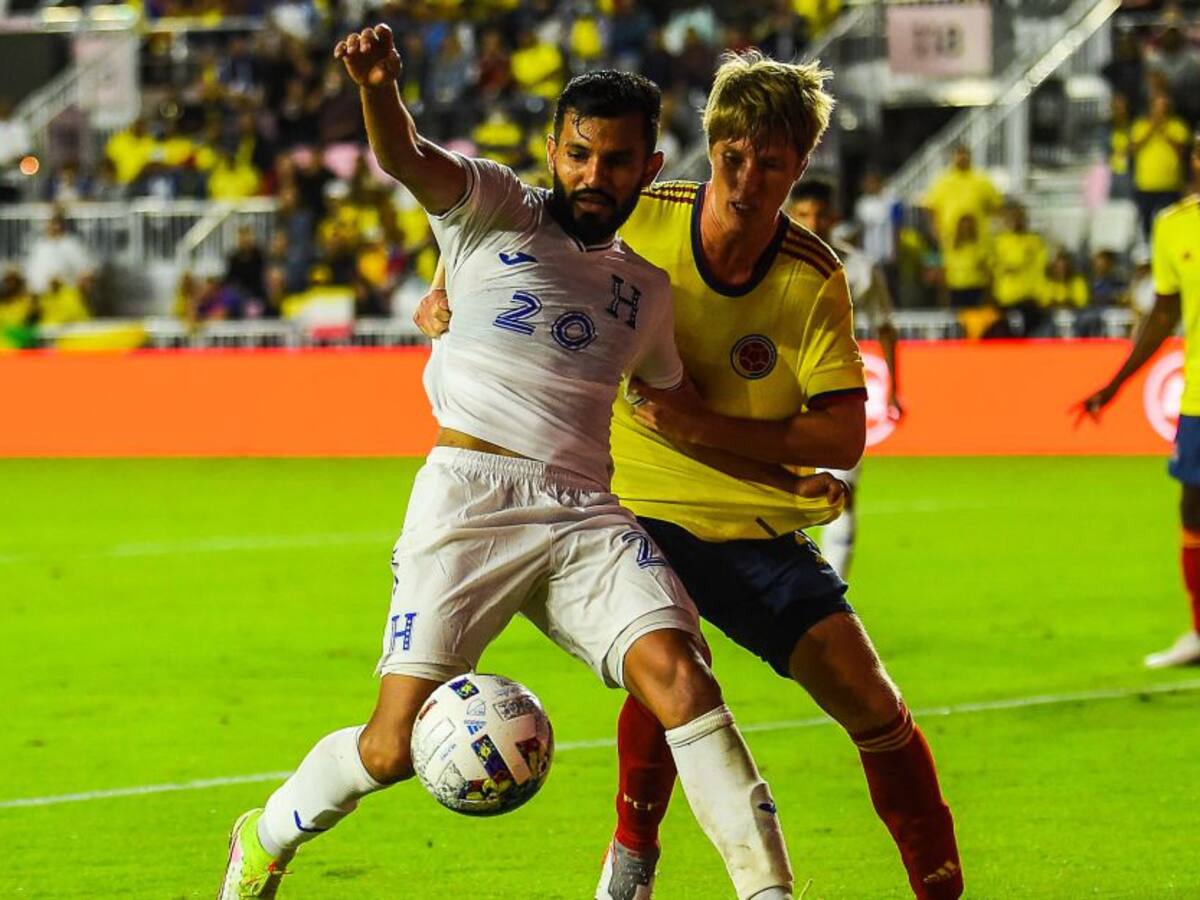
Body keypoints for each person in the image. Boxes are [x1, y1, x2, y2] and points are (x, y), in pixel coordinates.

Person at [218, 26, 798, 900]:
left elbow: (674, 414)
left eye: (617, 160)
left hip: (582, 512)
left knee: (683, 675)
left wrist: (783, 478)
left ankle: (769, 891)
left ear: (651, 165)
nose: (594, 176)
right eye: (578, 154)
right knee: (389, 749)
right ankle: (262, 837)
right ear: (553, 149)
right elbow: (404, 154)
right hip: (469, 500)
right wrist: (379, 86)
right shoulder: (492, 206)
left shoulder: (647, 293)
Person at [418, 50, 962, 900]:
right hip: (630, 510)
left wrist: (716, 434)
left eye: (771, 164)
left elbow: (844, 433)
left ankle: (941, 889)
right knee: (670, 668)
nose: (747, 181)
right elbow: (511, 219)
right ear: (709, 150)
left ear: (801, 164)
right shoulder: (641, 214)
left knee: (875, 709)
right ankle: (631, 864)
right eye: (732, 158)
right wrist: (441, 279)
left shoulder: (811, 278)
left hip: (750, 525)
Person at [1081, 129, 1200, 670]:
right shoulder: (1174, 225)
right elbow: (1163, 315)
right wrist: (1117, 382)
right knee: (1192, 510)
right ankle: (1199, 633)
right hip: (1199, 397)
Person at [784, 178, 903, 579]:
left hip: (837, 393)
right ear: (791, 214)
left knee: (841, 496)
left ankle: (832, 594)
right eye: (803, 215)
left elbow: (885, 326)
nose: (812, 222)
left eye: (819, 214)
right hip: (780, 393)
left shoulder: (859, 268)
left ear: (834, 218)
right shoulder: (773, 259)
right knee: (779, 497)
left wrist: (896, 390)